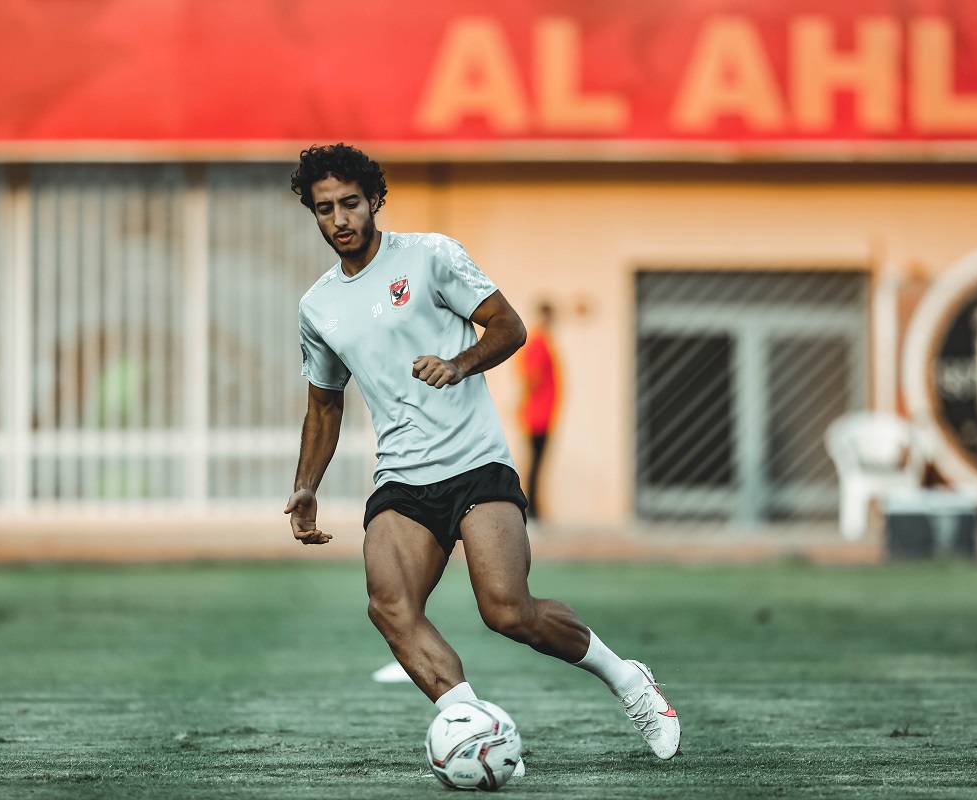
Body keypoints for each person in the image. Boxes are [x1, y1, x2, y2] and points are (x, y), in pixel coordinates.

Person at [284, 143, 680, 765]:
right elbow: (324, 407)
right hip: (401, 478)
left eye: (350, 203)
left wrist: (459, 363)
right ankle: (476, 729)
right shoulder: (318, 307)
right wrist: (307, 484)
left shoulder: (431, 256)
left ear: (374, 199)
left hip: (476, 465)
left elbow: (509, 326)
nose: (339, 219)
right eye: (324, 208)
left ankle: (628, 679)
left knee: (508, 611)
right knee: (390, 607)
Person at [518, 302, 560, 520]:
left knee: (537, 463)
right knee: (535, 462)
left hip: (542, 413)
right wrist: (523, 403)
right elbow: (532, 378)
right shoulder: (538, 343)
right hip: (537, 415)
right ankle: (532, 508)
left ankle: (534, 507)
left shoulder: (542, 342)